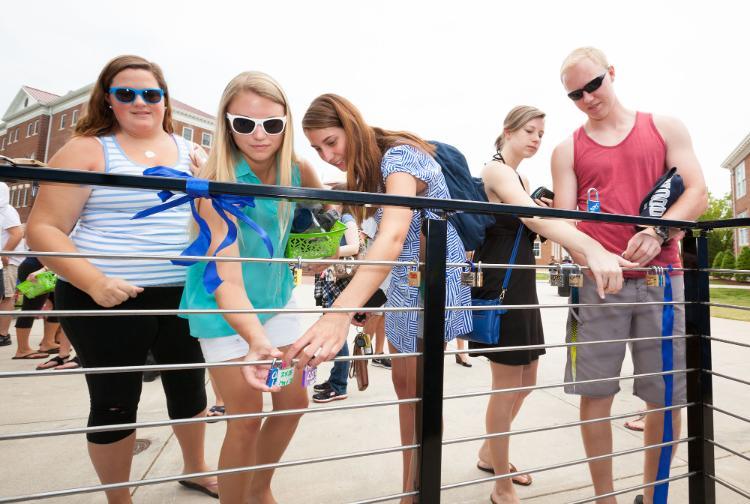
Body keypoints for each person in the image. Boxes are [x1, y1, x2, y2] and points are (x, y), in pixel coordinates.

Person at [26, 55, 217, 503]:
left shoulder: (193, 153)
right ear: (108, 99)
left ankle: (196, 467)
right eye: (125, 93)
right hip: (106, 298)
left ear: (165, 100)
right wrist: (93, 281)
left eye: (151, 94)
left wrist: (208, 173)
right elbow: (44, 227)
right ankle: (119, 497)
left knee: (190, 387)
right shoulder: (87, 149)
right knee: (114, 401)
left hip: (182, 296)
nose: (139, 101)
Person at [295, 93, 473, 499]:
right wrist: (368, 296)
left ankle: (417, 488)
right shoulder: (373, 173)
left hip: (429, 283)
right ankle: (414, 484)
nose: (326, 155)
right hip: (403, 285)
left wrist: (341, 311)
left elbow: (394, 235)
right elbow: (379, 242)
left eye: (331, 142)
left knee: (417, 392)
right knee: (405, 389)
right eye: (317, 148)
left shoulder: (399, 159)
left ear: (351, 126)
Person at [551, 47, 708, 504]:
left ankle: (653, 496)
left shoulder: (664, 126)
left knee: (665, 395)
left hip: (662, 279)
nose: (587, 98)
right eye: (575, 94)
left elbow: (696, 189)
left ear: (612, 74)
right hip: (596, 284)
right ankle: (606, 499)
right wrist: (595, 253)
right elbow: (562, 220)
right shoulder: (567, 149)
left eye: (593, 85)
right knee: (594, 393)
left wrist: (659, 232)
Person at [471, 105, 631, 504]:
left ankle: (491, 452)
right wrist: (591, 249)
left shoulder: (521, 177)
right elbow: (533, 222)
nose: (536, 139)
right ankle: (500, 484)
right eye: (529, 131)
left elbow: (536, 225)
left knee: (526, 380)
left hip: (522, 286)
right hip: (502, 289)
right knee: (506, 386)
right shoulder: (496, 171)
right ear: (506, 131)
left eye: (541, 133)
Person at [179, 70, 325, 504]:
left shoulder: (298, 168)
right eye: (244, 123)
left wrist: (334, 236)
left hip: (278, 304)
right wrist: (256, 340)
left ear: (286, 123)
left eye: (272, 124)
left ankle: (259, 488)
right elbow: (227, 278)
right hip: (225, 313)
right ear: (227, 123)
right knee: (244, 419)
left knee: (294, 400)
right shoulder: (215, 180)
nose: (259, 135)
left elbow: (323, 214)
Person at [312, 191, 361, 403]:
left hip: (339, 280)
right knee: (332, 330)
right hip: (331, 278)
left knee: (335, 332)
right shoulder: (332, 220)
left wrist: (328, 249)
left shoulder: (346, 219)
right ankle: (336, 379)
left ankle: (339, 385)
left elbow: (355, 246)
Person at [0, 183, 23, 349]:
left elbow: (17, 233)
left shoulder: (6, 211)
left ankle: (3, 334)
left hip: (7, 262)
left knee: (6, 296)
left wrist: (5, 253)